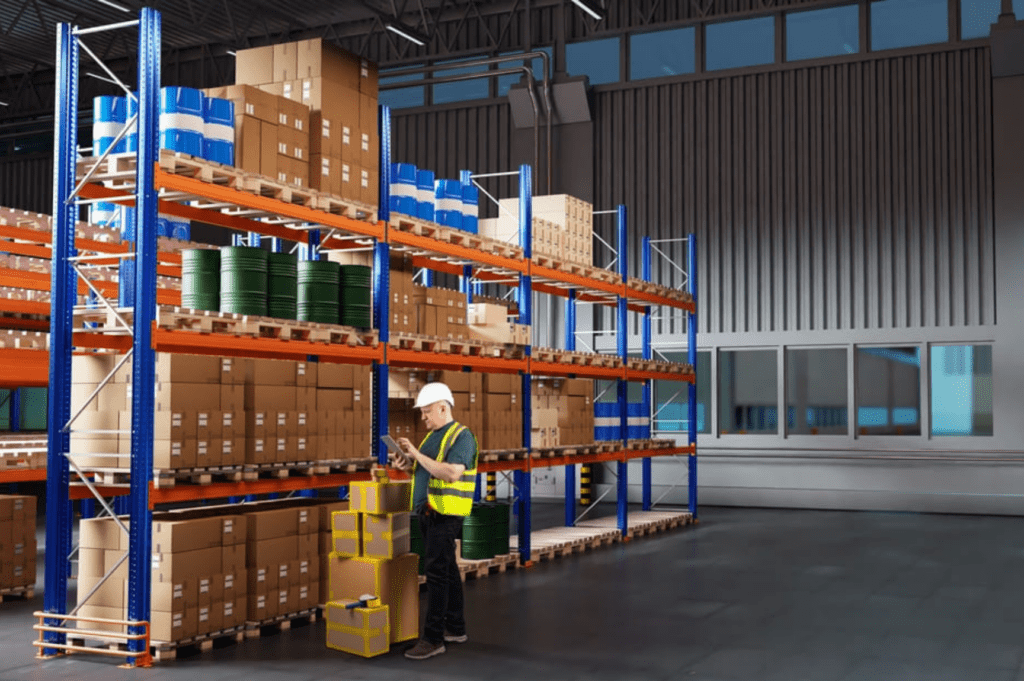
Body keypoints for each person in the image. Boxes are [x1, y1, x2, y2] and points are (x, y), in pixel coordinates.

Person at [390, 382, 479, 660]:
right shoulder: (431, 438)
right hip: (428, 513)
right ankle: (455, 628)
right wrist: (407, 465)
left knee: (437, 575)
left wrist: (416, 454)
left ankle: (433, 639)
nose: (423, 417)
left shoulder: (462, 437)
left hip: (445, 513)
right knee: (448, 571)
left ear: (443, 407)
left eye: (427, 412)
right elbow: (425, 473)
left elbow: (452, 473)